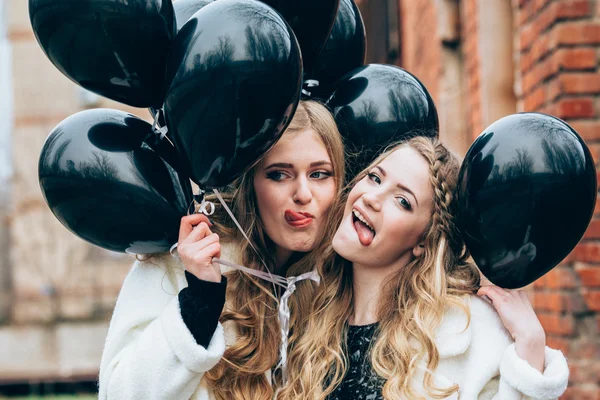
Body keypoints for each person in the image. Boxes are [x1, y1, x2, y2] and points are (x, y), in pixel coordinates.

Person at [278, 135, 569, 400]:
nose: (372, 198)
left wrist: (530, 349)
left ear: (422, 241)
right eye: (375, 178)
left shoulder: (467, 333)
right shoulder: (303, 313)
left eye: (402, 201)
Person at [98, 100, 345, 400]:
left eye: (319, 174)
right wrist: (198, 304)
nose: (303, 194)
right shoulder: (183, 261)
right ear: (250, 182)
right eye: (279, 174)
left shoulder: (340, 280)